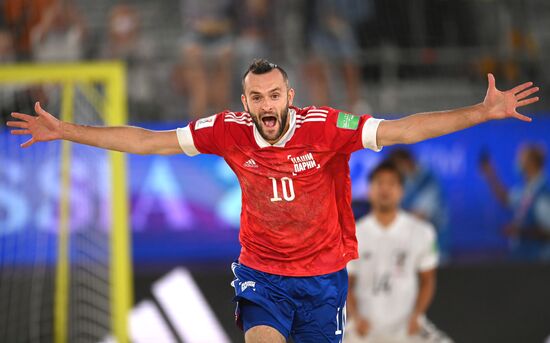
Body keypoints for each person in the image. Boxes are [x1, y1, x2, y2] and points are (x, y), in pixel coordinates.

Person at [6, 59, 539, 342]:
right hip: (263, 272)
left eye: (275, 95)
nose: (266, 104)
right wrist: (67, 131)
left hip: (326, 277)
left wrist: (479, 112)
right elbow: (148, 141)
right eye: (256, 97)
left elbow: (402, 130)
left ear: (290, 96)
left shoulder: (328, 126)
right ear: (245, 102)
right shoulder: (227, 129)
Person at [345, 161, 452, 343]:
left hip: (407, 327)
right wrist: (355, 317)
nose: (385, 189)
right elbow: (346, 283)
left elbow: (427, 279)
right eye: (379, 183)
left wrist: (417, 315)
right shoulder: (354, 233)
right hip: (365, 328)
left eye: (392, 184)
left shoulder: (422, 231)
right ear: (369, 190)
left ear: (401, 191)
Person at [480, 144, 550, 260]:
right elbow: (506, 198)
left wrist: (520, 231)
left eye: (521, 158)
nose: (518, 162)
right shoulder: (528, 189)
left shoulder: (543, 193)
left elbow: (548, 231)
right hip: (524, 260)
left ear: (531, 163)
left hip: (538, 264)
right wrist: (490, 174)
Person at [387, 148, 449, 259]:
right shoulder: (404, 182)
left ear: (405, 162)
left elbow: (419, 215)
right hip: (409, 251)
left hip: (434, 250)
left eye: (396, 167)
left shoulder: (427, 180)